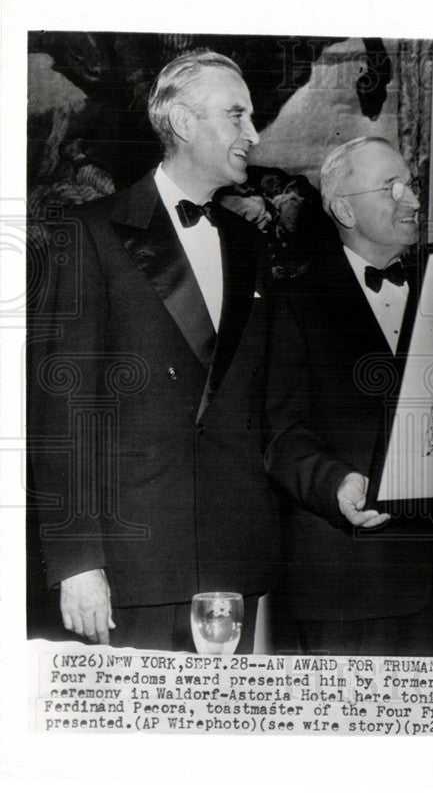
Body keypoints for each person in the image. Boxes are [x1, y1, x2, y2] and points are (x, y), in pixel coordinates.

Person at [27, 50, 280, 651]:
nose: (254, 133)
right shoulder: (90, 231)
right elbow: (62, 411)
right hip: (129, 566)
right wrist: (76, 563)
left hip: (231, 565)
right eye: (237, 115)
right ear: (185, 124)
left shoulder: (250, 245)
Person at [264, 137, 433, 656]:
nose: (414, 201)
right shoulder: (292, 299)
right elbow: (279, 435)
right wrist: (334, 483)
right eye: (391, 187)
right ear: (343, 208)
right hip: (344, 578)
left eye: (412, 186)